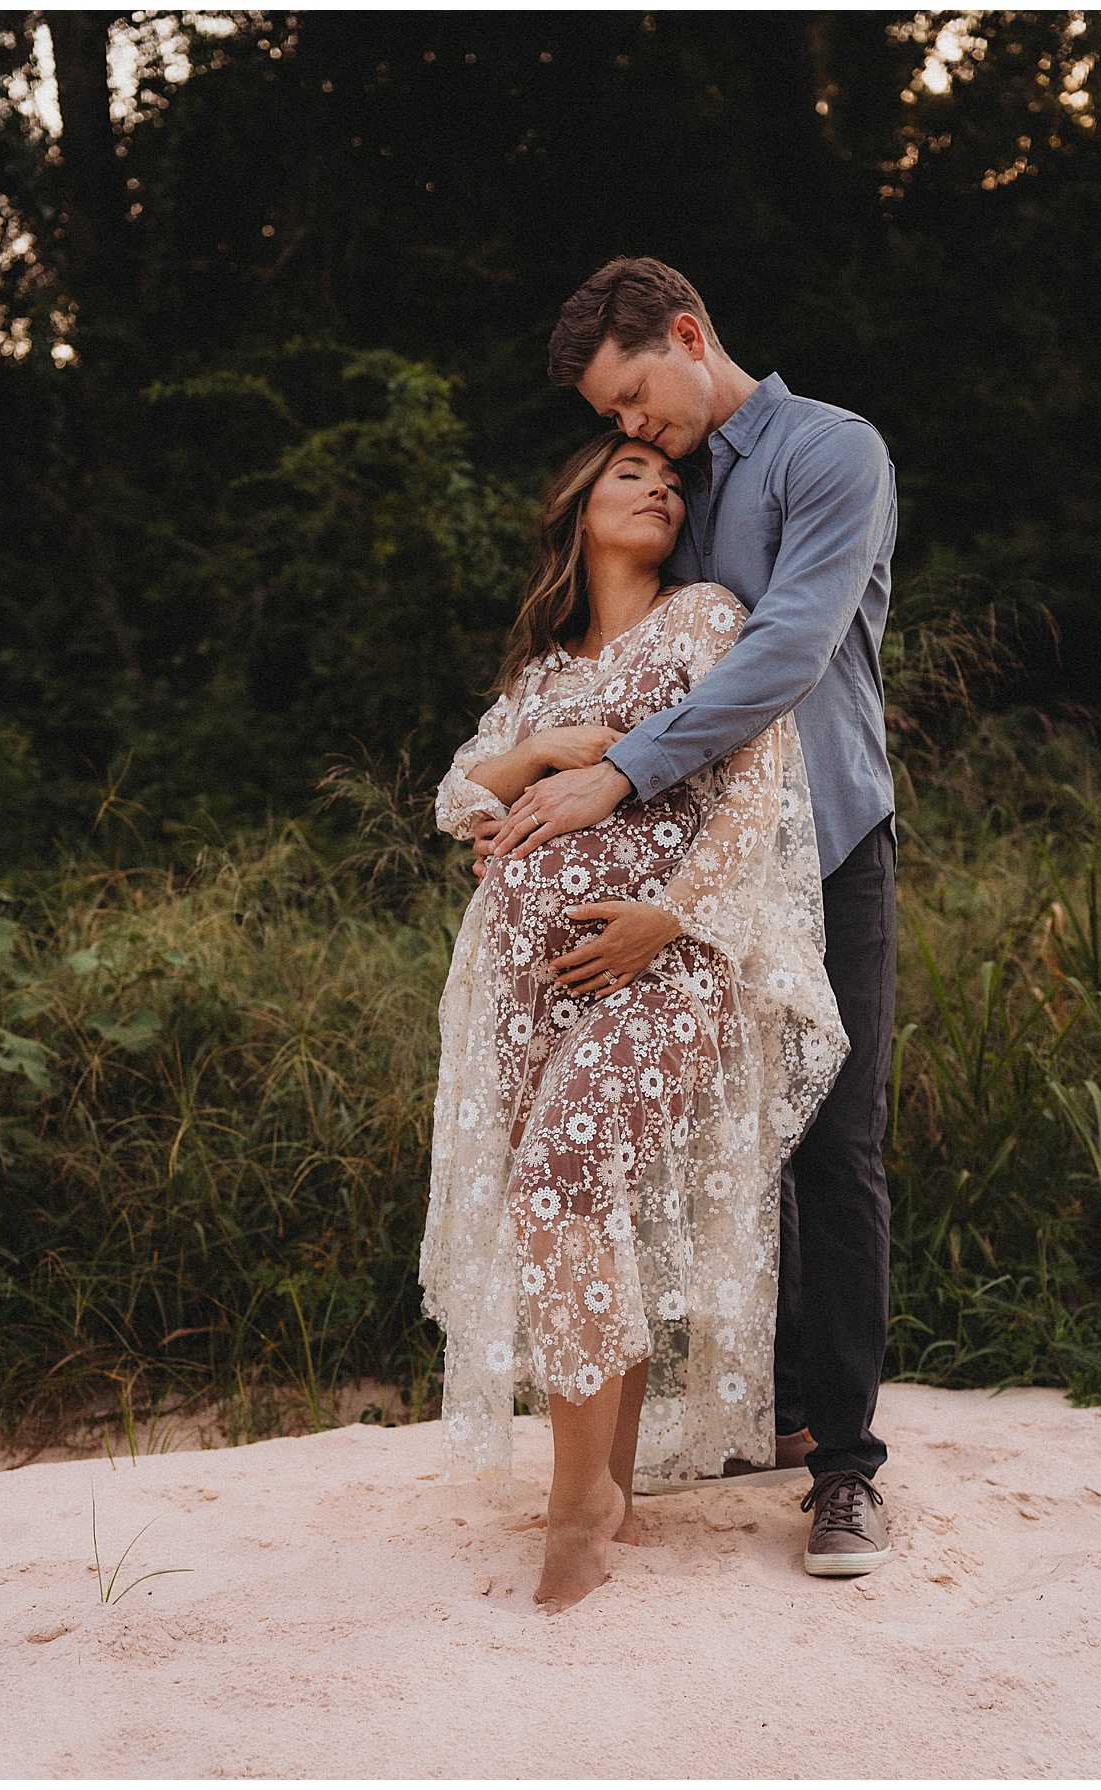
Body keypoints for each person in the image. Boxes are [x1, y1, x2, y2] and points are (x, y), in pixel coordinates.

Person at [483, 257, 898, 1579]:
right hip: (693, 885)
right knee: (717, 1145)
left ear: (685, 332)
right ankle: (764, 1410)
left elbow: (787, 653)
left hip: (827, 847)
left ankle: (845, 1469)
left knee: (835, 1145)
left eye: (637, 399)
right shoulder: (675, 494)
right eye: (613, 423)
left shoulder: (833, 453)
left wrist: (621, 763)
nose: (633, 434)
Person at [421, 430, 847, 1612]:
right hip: (521, 983)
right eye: (628, 473)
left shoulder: (707, 616)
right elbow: (458, 795)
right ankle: (608, 1475)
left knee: (560, 1181)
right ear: (577, 507)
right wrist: (544, 748)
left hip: (659, 959)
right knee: (577, 1206)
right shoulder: (541, 673)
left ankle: (579, 1508)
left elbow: (756, 782)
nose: (659, 484)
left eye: (671, 478)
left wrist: (666, 915)